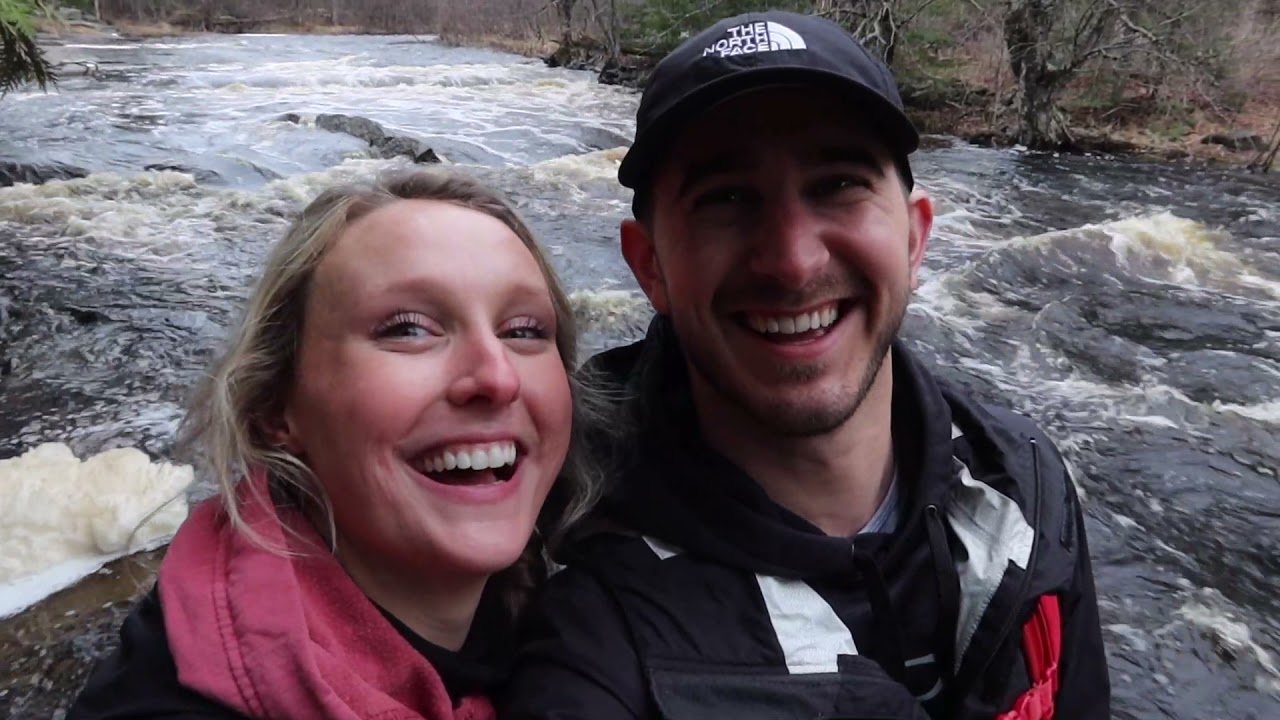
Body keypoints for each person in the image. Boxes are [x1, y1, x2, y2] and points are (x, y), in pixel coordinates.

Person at [501, 10, 1109, 720]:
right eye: (726, 199)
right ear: (650, 266)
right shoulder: (578, 594)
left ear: (915, 239)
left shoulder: (1023, 483)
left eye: (838, 184)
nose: (793, 261)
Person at [69, 170, 600, 720]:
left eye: (524, 331)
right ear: (276, 408)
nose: (497, 378)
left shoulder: (579, 615)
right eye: (409, 328)